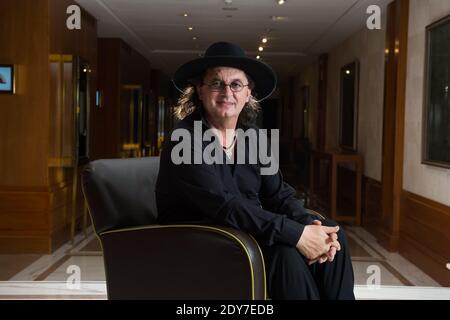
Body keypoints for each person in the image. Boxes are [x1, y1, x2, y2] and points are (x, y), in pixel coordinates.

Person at [155, 41, 355, 300]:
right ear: (200, 92)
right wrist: (296, 235)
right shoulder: (183, 139)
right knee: (285, 253)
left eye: (236, 84)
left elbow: (278, 195)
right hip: (203, 239)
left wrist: (311, 227)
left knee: (334, 235)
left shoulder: (254, 137)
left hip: (245, 230)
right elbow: (223, 206)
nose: (227, 92)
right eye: (216, 83)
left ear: (248, 93)